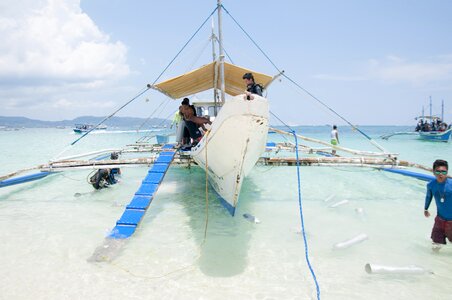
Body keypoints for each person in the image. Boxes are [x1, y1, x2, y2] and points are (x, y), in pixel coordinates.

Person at [424, 159, 452, 252]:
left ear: (447, 172)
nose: (441, 174)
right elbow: (428, 196)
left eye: (444, 171)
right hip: (439, 220)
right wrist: (426, 208)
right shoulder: (431, 185)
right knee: (436, 244)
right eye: (438, 171)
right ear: (433, 172)